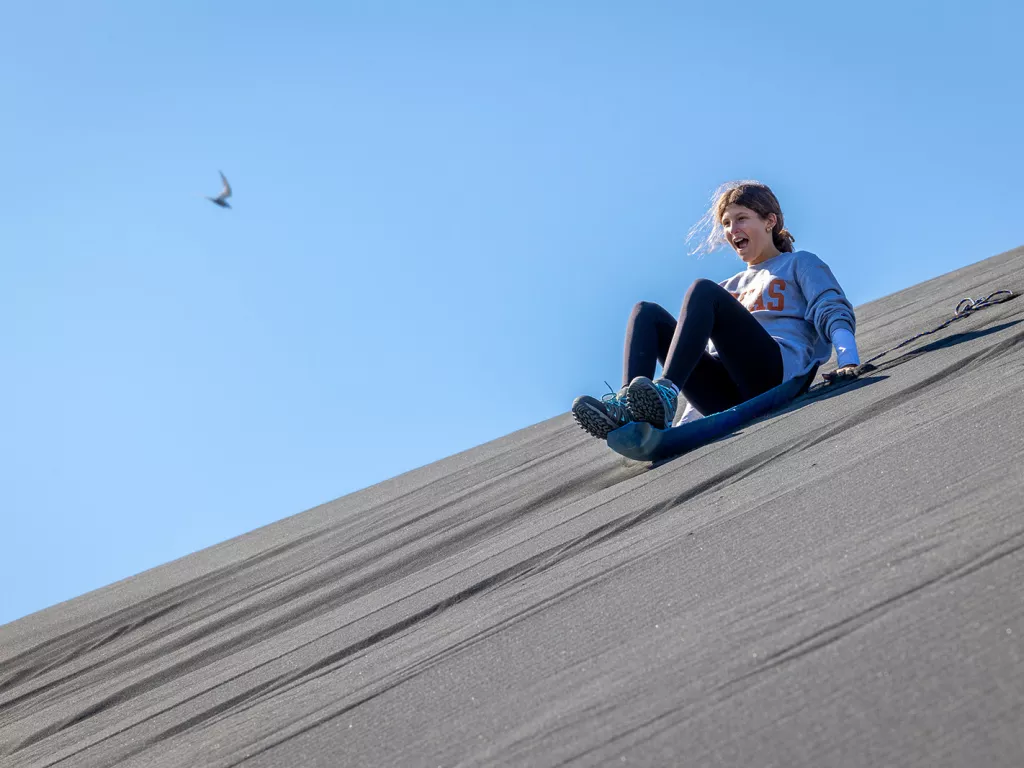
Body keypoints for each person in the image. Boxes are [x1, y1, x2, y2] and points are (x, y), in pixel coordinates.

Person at [572, 180, 860, 440]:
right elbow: (701, 356)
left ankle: (666, 393)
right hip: (726, 394)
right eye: (726, 223)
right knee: (645, 312)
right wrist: (686, 427)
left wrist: (848, 360)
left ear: (770, 221)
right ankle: (629, 410)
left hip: (773, 374)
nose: (732, 230)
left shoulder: (798, 264)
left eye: (741, 219)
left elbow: (830, 308)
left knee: (703, 290)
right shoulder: (728, 286)